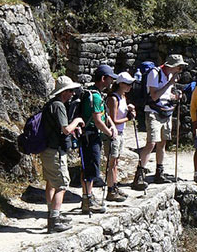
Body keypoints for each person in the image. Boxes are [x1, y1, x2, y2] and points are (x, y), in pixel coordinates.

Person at [40, 76, 84, 233]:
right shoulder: (59, 106)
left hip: (47, 150)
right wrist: (77, 121)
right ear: (64, 92)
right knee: (62, 184)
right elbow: (65, 129)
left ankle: (52, 213)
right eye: (70, 91)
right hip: (55, 151)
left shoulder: (50, 104)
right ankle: (54, 220)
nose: (73, 94)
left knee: (51, 182)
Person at [137, 54, 187, 186]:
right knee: (151, 143)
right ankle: (139, 175)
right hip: (153, 111)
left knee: (162, 143)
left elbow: (166, 95)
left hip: (165, 111)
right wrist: (170, 83)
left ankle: (159, 173)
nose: (180, 70)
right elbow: (154, 96)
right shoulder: (154, 73)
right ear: (172, 66)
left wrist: (176, 96)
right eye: (179, 67)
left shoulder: (169, 75)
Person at [79, 64, 119, 213]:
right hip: (90, 136)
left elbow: (104, 115)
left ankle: (87, 198)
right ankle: (87, 200)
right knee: (90, 167)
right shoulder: (95, 96)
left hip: (90, 135)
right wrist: (109, 132)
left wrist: (112, 126)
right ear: (103, 78)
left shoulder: (95, 94)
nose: (112, 82)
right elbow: (97, 120)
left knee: (90, 166)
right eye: (110, 78)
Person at [104, 72, 136, 201]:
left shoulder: (122, 97)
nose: (130, 86)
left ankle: (114, 186)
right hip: (113, 134)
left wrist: (130, 111)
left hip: (120, 133)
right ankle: (110, 190)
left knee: (115, 162)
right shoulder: (113, 98)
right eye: (128, 84)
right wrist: (128, 118)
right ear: (121, 84)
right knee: (112, 163)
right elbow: (113, 120)